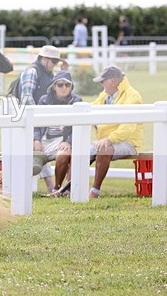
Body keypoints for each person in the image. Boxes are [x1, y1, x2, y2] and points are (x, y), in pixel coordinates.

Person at [51, 66, 143, 198]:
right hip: (106, 141)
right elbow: (91, 108)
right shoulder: (105, 95)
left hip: (128, 142)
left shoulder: (133, 96)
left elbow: (128, 127)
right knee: (79, 150)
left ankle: (95, 191)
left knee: (104, 149)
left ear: (112, 81)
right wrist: (70, 120)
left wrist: (109, 139)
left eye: (102, 81)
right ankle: (67, 189)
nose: (101, 84)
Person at [34, 71, 83, 194]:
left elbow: (79, 125)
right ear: (54, 86)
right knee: (25, 154)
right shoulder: (44, 100)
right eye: (60, 85)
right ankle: (18, 190)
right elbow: (36, 122)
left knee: (64, 154)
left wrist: (68, 141)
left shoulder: (76, 100)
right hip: (46, 138)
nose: (64, 88)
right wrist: (36, 139)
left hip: (63, 138)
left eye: (67, 85)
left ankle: (57, 189)